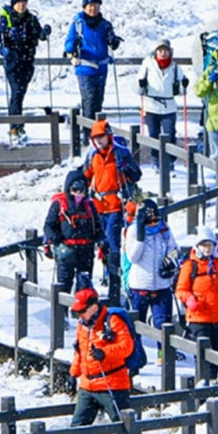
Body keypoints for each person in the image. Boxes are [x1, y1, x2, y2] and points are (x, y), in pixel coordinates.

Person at [57, 277, 145, 434]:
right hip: (87, 384)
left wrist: (104, 353)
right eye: (77, 312)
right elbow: (80, 351)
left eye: (81, 311)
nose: (79, 315)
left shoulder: (112, 320)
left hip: (112, 382)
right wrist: (73, 374)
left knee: (123, 422)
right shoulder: (82, 325)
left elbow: (127, 347)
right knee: (79, 423)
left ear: (93, 306)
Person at [84, 120, 141, 303]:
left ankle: (114, 284)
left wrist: (127, 167)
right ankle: (105, 274)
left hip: (116, 204)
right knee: (101, 242)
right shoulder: (92, 154)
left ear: (108, 136)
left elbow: (136, 175)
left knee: (112, 241)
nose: (99, 141)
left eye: (101, 137)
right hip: (97, 205)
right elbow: (85, 176)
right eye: (95, 138)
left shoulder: (120, 153)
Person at [175, 226, 218, 384]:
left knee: (217, 351)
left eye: (209, 245)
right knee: (202, 352)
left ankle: (213, 380)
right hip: (199, 317)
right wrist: (190, 300)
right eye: (203, 245)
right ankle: (202, 381)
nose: (207, 248)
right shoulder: (190, 265)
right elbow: (181, 289)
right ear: (197, 246)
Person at [0, 0, 52, 144]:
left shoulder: (31, 19)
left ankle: (17, 126)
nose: (21, 5)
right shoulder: (6, 19)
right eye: (19, 3)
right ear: (13, 5)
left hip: (27, 62)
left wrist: (45, 32)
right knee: (17, 93)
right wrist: (4, 35)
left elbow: (39, 35)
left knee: (20, 93)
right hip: (13, 62)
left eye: (24, 3)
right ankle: (15, 127)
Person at [64, 0, 123, 145]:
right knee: (89, 100)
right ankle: (87, 136)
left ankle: (97, 134)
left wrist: (114, 41)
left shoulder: (105, 25)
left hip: (101, 67)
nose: (93, 9)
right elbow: (69, 42)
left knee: (98, 101)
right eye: (90, 6)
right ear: (84, 7)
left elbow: (111, 41)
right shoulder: (78, 24)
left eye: (96, 6)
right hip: (85, 66)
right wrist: (72, 47)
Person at [124, 199, 179, 361]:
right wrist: (140, 238)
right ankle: (137, 356)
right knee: (137, 324)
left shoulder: (164, 229)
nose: (154, 223)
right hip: (140, 285)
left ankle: (164, 356)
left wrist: (170, 262)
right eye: (150, 220)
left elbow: (174, 249)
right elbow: (132, 257)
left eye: (156, 219)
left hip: (162, 285)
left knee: (163, 323)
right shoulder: (133, 231)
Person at [43, 169, 103, 294]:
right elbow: (49, 225)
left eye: (82, 189)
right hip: (66, 250)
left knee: (84, 285)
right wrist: (53, 237)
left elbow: (97, 226)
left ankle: (81, 305)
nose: (78, 193)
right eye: (75, 189)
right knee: (64, 285)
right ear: (68, 189)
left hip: (86, 250)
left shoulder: (89, 206)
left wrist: (101, 240)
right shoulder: (59, 204)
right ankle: (62, 306)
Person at [136, 39, 188, 171]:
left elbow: (182, 90)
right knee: (153, 136)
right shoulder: (148, 64)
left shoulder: (175, 67)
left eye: (165, 50)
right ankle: (155, 161)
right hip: (151, 105)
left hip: (169, 106)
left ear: (170, 52)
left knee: (170, 134)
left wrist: (184, 85)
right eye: (160, 50)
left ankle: (170, 162)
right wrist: (140, 84)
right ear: (156, 52)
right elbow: (138, 87)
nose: (163, 53)